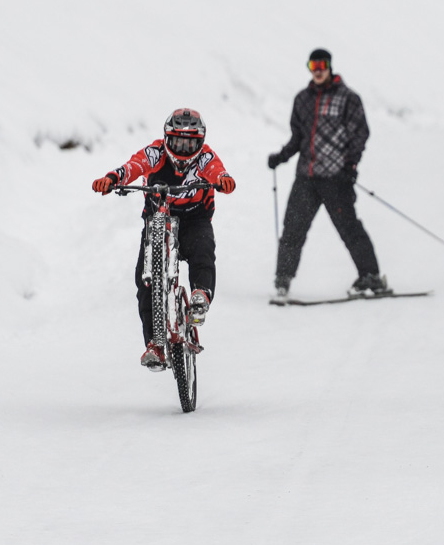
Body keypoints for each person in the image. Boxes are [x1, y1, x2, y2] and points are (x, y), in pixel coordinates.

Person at [93, 108, 236, 371]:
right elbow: (134, 166)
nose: (182, 150)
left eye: (189, 144)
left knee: (203, 250)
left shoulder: (205, 157)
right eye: (177, 142)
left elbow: (216, 170)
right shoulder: (156, 152)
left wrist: (223, 179)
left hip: (195, 220)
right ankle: (155, 346)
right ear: (166, 139)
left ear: (200, 143)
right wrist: (112, 178)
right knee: (144, 281)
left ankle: (200, 296)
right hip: (157, 219)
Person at [266, 48, 388, 300]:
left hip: (336, 178)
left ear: (330, 66)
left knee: (349, 229)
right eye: (313, 66)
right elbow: (298, 138)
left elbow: (360, 134)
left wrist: (350, 166)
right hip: (306, 177)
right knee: (292, 230)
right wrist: (282, 156)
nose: (318, 70)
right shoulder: (302, 99)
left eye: (322, 65)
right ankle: (283, 280)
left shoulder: (348, 98)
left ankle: (371, 277)